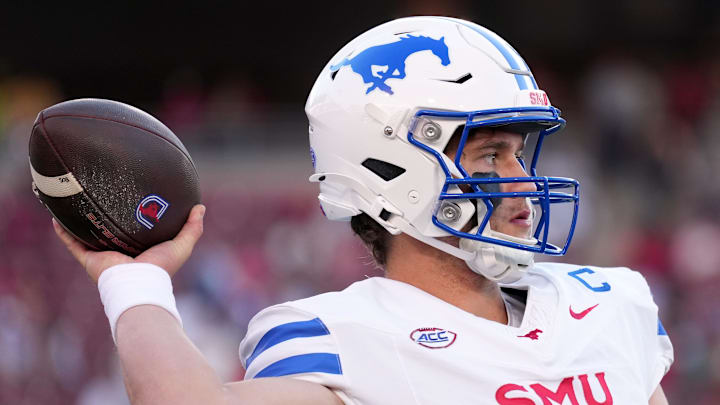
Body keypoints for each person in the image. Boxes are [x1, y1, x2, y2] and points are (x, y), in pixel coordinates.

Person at [53, 16, 673, 404]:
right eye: (489, 157)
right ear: (394, 173)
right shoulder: (340, 339)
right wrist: (131, 280)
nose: (520, 181)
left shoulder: (606, 305)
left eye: (518, 153)